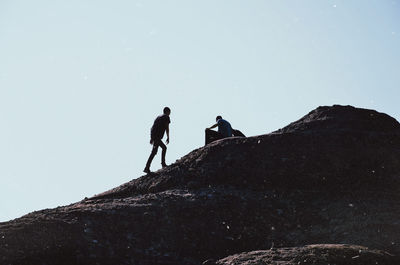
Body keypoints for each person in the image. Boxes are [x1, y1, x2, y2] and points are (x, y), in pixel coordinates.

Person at [144, 107, 171, 173]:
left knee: (154, 152)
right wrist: (168, 137)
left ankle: (147, 168)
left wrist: (151, 138)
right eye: (169, 112)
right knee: (164, 148)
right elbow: (167, 127)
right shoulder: (166, 117)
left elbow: (152, 127)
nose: (170, 113)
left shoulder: (158, 117)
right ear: (167, 111)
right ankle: (163, 164)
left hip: (155, 136)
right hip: (157, 137)